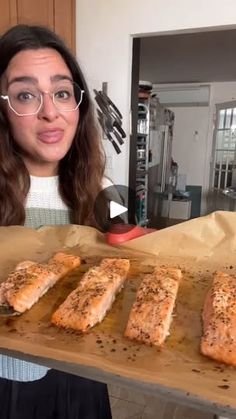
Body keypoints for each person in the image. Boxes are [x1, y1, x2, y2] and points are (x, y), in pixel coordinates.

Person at [0, 23, 112, 419]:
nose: (50, 112)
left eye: (62, 92)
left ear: (77, 105)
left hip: (84, 374)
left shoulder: (103, 188)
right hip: (9, 383)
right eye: (25, 95)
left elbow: (136, 242)